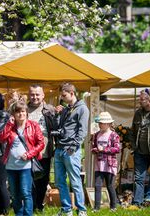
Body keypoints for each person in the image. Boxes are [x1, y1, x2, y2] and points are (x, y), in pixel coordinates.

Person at [0, 100, 45, 216]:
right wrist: (9, 124)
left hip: (26, 165)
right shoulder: (10, 127)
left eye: (23, 111)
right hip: (11, 165)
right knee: (14, 194)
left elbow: (41, 143)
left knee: (26, 192)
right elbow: (1, 139)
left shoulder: (33, 125)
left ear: (26, 113)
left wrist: (29, 154)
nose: (21, 114)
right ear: (13, 114)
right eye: (18, 112)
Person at [52, 83, 88, 216]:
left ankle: (81, 210)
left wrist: (73, 147)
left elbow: (83, 131)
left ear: (72, 93)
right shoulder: (66, 109)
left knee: (75, 180)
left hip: (71, 150)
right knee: (60, 181)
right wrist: (57, 115)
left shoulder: (82, 109)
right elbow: (58, 127)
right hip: (59, 149)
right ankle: (67, 209)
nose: (62, 98)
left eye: (64, 95)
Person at [27, 84, 56, 212]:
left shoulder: (50, 110)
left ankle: (39, 204)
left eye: (37, 94)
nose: (35, 97)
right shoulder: (24, 109)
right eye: (32, 94)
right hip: (27, 152)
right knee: (29, 180)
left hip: (45, 152)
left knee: (43, 180)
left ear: (43, 95)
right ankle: (31, 205)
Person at [90, 111, 120, 211]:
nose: (100, 125)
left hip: (110, 164)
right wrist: (96, 149)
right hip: (99, 164)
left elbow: (117, 149)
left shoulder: (114, 135)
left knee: (110, 186)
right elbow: (93, 147)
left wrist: (104, 149)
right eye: (99, 123)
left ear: (108, 124)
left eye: (102, 123)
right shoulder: (96, 135)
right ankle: (96, 208)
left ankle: (113, 206)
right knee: (97, 186)